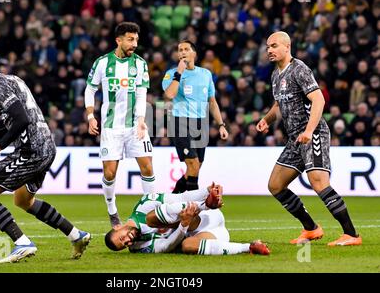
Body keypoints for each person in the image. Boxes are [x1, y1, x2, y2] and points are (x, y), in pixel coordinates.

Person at [0, 44, 91, 263]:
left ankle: (21, 242)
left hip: (31, 151)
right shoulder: (13, 80)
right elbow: (15, 122)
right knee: (23, 200)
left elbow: (21, 120)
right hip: (47, 148)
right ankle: (76, 234)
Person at [256, 32, 362, 246]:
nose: (269, 50)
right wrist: (266, 119)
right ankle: (311, 229)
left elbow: (319, 99)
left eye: (274, 45)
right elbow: (279, 105)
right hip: (295, 139)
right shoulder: (276, 75)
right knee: (275, 185)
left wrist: (309, 130)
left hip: (312, 133)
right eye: (268, 46)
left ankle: (351, 234)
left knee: (319, 182)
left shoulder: (299, 69)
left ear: (287, 46)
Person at [84, 22, 155, 227]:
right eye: (130, 39)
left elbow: (142, 94)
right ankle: (112, 210)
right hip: (111, 126)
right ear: (119, 40)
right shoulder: (102, 63)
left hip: (135, 125)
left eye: (136, 40)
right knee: (109, 173)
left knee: (147, 167)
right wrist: (91, 116)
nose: (134, 44)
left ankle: (151, 212)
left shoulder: (140, 64)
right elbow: (90, 90)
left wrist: (141, 120)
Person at [104, 184, 270, 255]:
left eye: (122, 238)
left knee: (151, 218)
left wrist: (207, 191)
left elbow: (181, 197)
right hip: (213, 235)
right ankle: (249, 247)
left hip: (204, 216)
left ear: (118, 226)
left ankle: (206, 204)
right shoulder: (139, 248)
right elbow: (166, 246)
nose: (128, 241)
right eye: (124, 245)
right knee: (186, 245)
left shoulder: (145, 204)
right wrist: (183, 225)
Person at [162, 40, 229, 193]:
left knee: (196, 167)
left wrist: (221, 125)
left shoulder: (205, 74)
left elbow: (212, 102)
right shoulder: (171, 74)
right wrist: (179, 73)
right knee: (192, 164)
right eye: (180, 50)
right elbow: (170, 94)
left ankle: (172, 200)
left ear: (194, 53)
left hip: (201, 123)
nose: (182, 52)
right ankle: (195, 206)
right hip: (180, 121)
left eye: (186, 49)